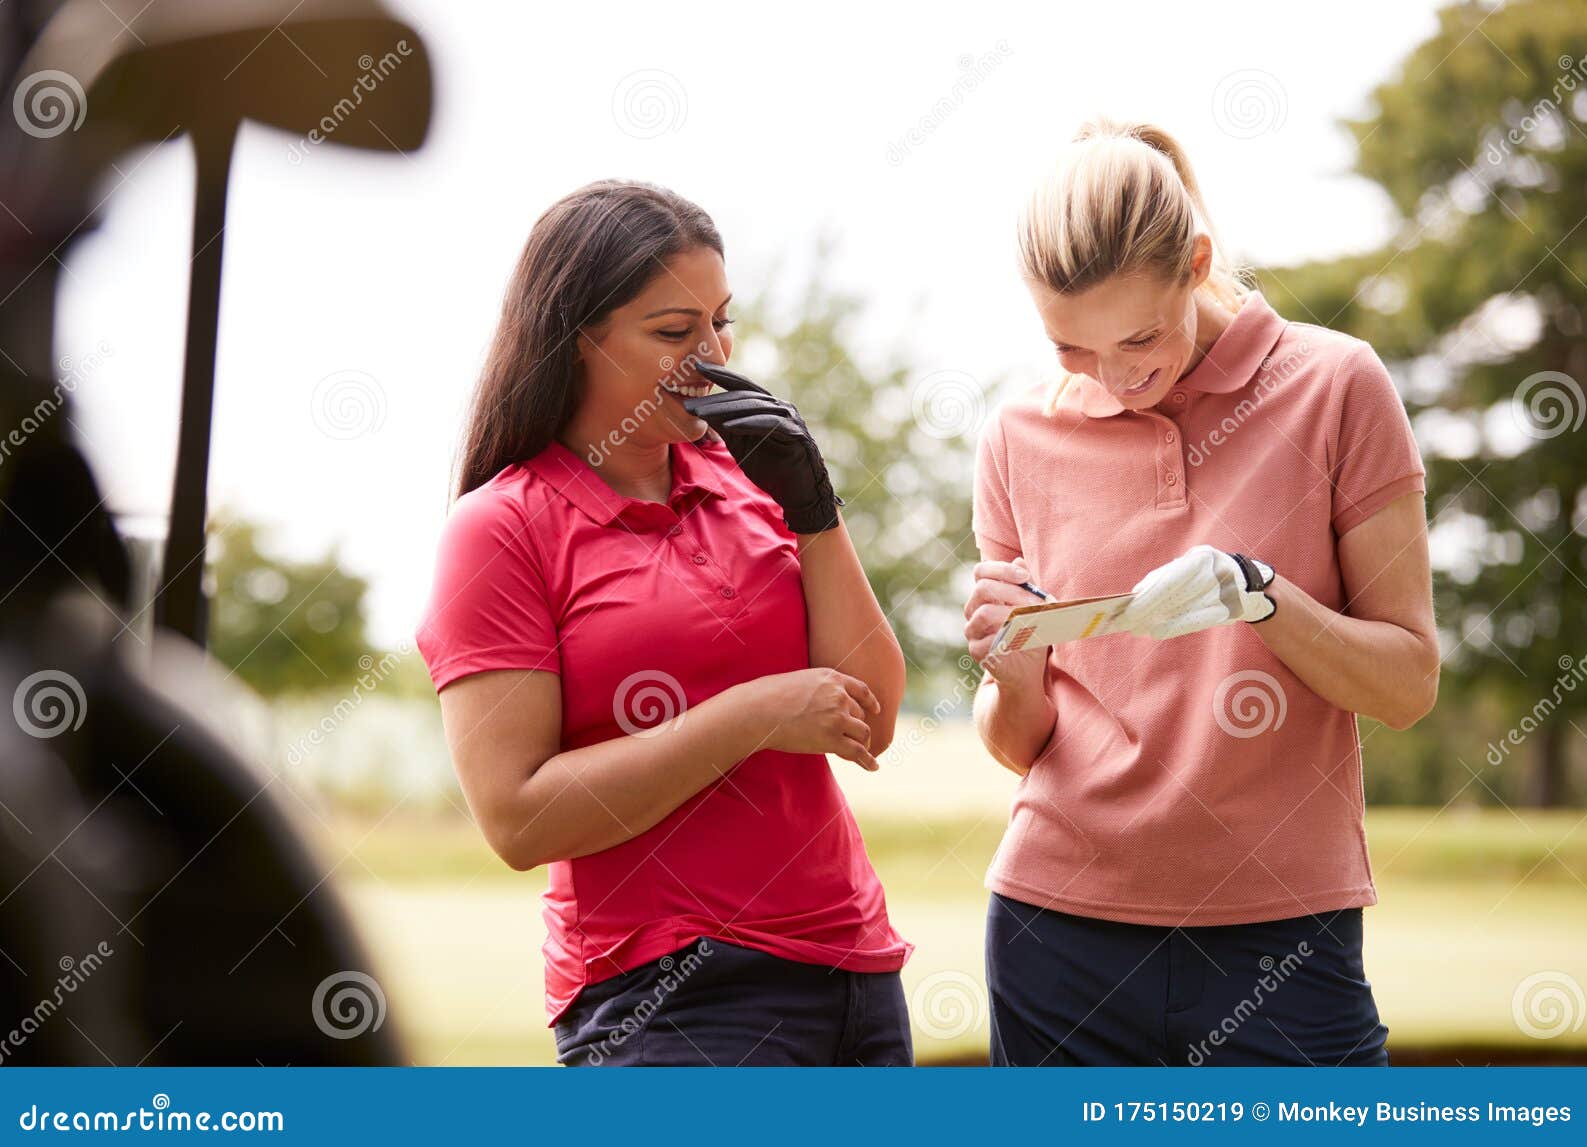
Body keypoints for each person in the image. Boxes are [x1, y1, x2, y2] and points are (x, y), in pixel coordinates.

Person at [964, 117, 1438, 1066]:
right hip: (1056, 932)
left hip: (1284, 934)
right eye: (1072, 349)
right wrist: (1011, 671)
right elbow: (1022, 742)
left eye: (1138, 336)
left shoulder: (1335, 385)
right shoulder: (1018, 436)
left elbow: (1406, 682)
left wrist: (1259, 594)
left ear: (1197, 261)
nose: (1116, 377)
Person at [416, 180, 913, 1066]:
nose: (716, 355)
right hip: (667, 996)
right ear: (576, 340)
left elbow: (870, 715)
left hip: (854, 972)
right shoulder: (503, 527)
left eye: (724, 322)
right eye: (675, 333)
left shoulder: (749, 481)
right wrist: (756, 713)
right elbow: (517, 819)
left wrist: (817, 511)